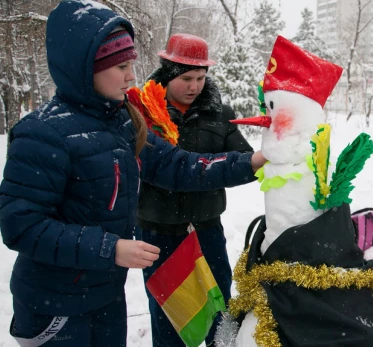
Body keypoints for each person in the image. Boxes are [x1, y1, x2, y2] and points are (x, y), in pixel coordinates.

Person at [0, 1, 265, 346]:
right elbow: (22, 226)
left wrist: (252, 161)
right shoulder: (42, 132)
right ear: (83, 69)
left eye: (131, 65)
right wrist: (111, 249)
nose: (130, 76)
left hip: (106, 293)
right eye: (121, 66)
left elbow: (175, 164)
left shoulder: (122, 120)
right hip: (57, 305)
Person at [127, 33, 253, 347]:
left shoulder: (220, 113)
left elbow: (246, 159)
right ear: (168, 75)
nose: (194, 86)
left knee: (218, 309)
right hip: (159, 234)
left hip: (207, 229)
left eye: (200, 77)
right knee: (168, 315)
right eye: (186, 78)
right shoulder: (142, 112)